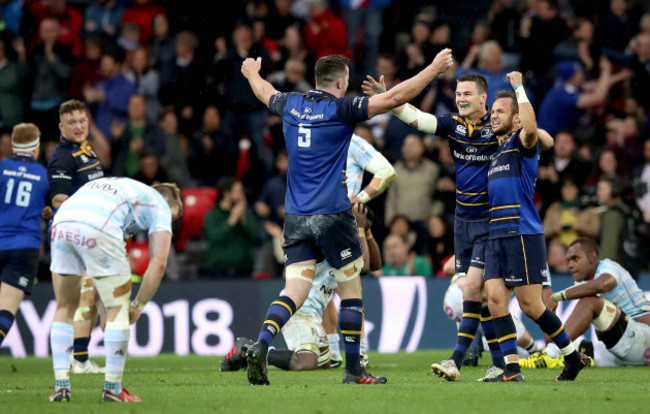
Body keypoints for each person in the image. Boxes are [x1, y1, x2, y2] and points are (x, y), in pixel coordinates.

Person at [240, 48, 454, 385]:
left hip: (295, 215)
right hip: (333, 214)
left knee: (294, 290)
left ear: (316, 80)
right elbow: (396, 97)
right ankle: (354, 371)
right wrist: (433, 68)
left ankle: (261, 346)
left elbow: (265, 91)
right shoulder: (342, 108)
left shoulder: (292, 104)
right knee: (351, 291)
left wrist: (252, 72)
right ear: (341, 83)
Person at [362, 72, 555, 381]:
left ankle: (457, 359)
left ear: (483, 98)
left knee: (471, 289)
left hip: (489, 222)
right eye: (457, 93)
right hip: (462, 222)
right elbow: (418, 119)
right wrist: (391, 99)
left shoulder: (496, 127)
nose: (460, 98)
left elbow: (536, 138)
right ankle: (502, 363)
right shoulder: (454, 126)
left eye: (467, 93)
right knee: (480, 296)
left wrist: (542, 136)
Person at [481, 74, 590, 382]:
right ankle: (511, 369)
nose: (493, 115)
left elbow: (532, 130)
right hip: (496, 234)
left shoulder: (522, 144)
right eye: (493, 112)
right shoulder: (496, 152)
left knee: (531, 307)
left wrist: (518, 87)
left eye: (500, 111)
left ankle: (571, 358)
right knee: (494, 301)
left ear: (515, 120)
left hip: (522, 233)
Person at [47, 178, 182, 402]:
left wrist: (103, 311)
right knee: (119, 310)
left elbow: (97, 270)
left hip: (62, 221)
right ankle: (113, 390)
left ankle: (61, 388)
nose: (169, 223)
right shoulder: (159, 203)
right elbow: (159, 263)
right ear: (168, 200)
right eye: (173, 216)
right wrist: (137, 306)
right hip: (97, 225)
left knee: (64, 307)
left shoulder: (122, 191)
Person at [221, 203, 381, 372]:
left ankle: (252, 354)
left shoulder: (343, 238)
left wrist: (367, 232)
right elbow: (363, 267)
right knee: (306, 363)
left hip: (314, 316)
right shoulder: (331, 238)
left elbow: (375, 265)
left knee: (324, 363)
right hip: (300, 311)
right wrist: (361, 230)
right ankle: (248, 349)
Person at [523, 237, 650, 368]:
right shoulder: (584, 284)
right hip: (621, 351)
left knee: (590, 302)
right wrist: (550, 313)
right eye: (568, 260)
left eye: (575, 259)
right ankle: (545, 356)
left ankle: (551, 355)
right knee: (573, 348)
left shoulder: (609, 267)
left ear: (592, 257)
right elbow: (553, 341)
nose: (570, 265)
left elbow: (603, 284)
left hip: (644, 339)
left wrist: (557, 297)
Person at [47, 99, 107, 374]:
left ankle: (80, 358)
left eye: (82, 121)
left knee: (92, 296)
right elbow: (59, 199)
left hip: (91, 231)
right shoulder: (63, 156)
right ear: (62, 126)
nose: (79, 126)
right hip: (75, 234)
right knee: (81, 298)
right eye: (72, 122)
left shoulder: (87, 151)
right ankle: (74, 359)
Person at [0, 124, 50, 347]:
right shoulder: (43, 174)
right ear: (36, 147)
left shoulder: (1, 168)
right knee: (6, 309)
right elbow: (56, 207)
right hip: (25, 247)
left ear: (13, 144)